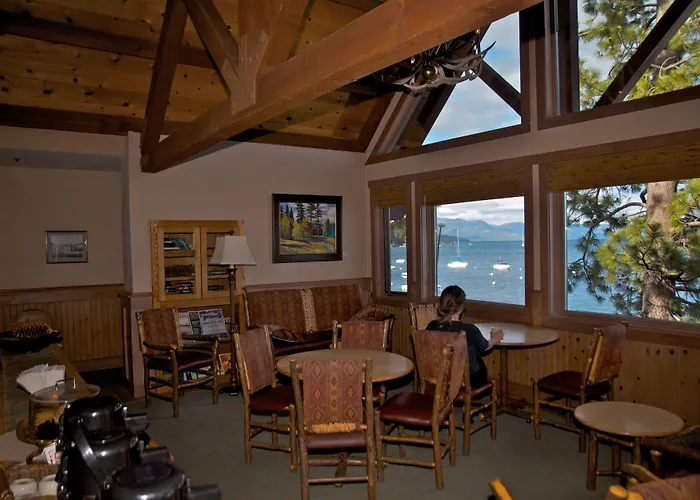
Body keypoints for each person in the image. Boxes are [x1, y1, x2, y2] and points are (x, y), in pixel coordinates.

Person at [426, 285, 504, 388]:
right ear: (461, 307)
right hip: (467, 379)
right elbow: (485, 346)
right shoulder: (469, 329)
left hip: (440, 374)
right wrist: (495, 338)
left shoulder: (431, 326)